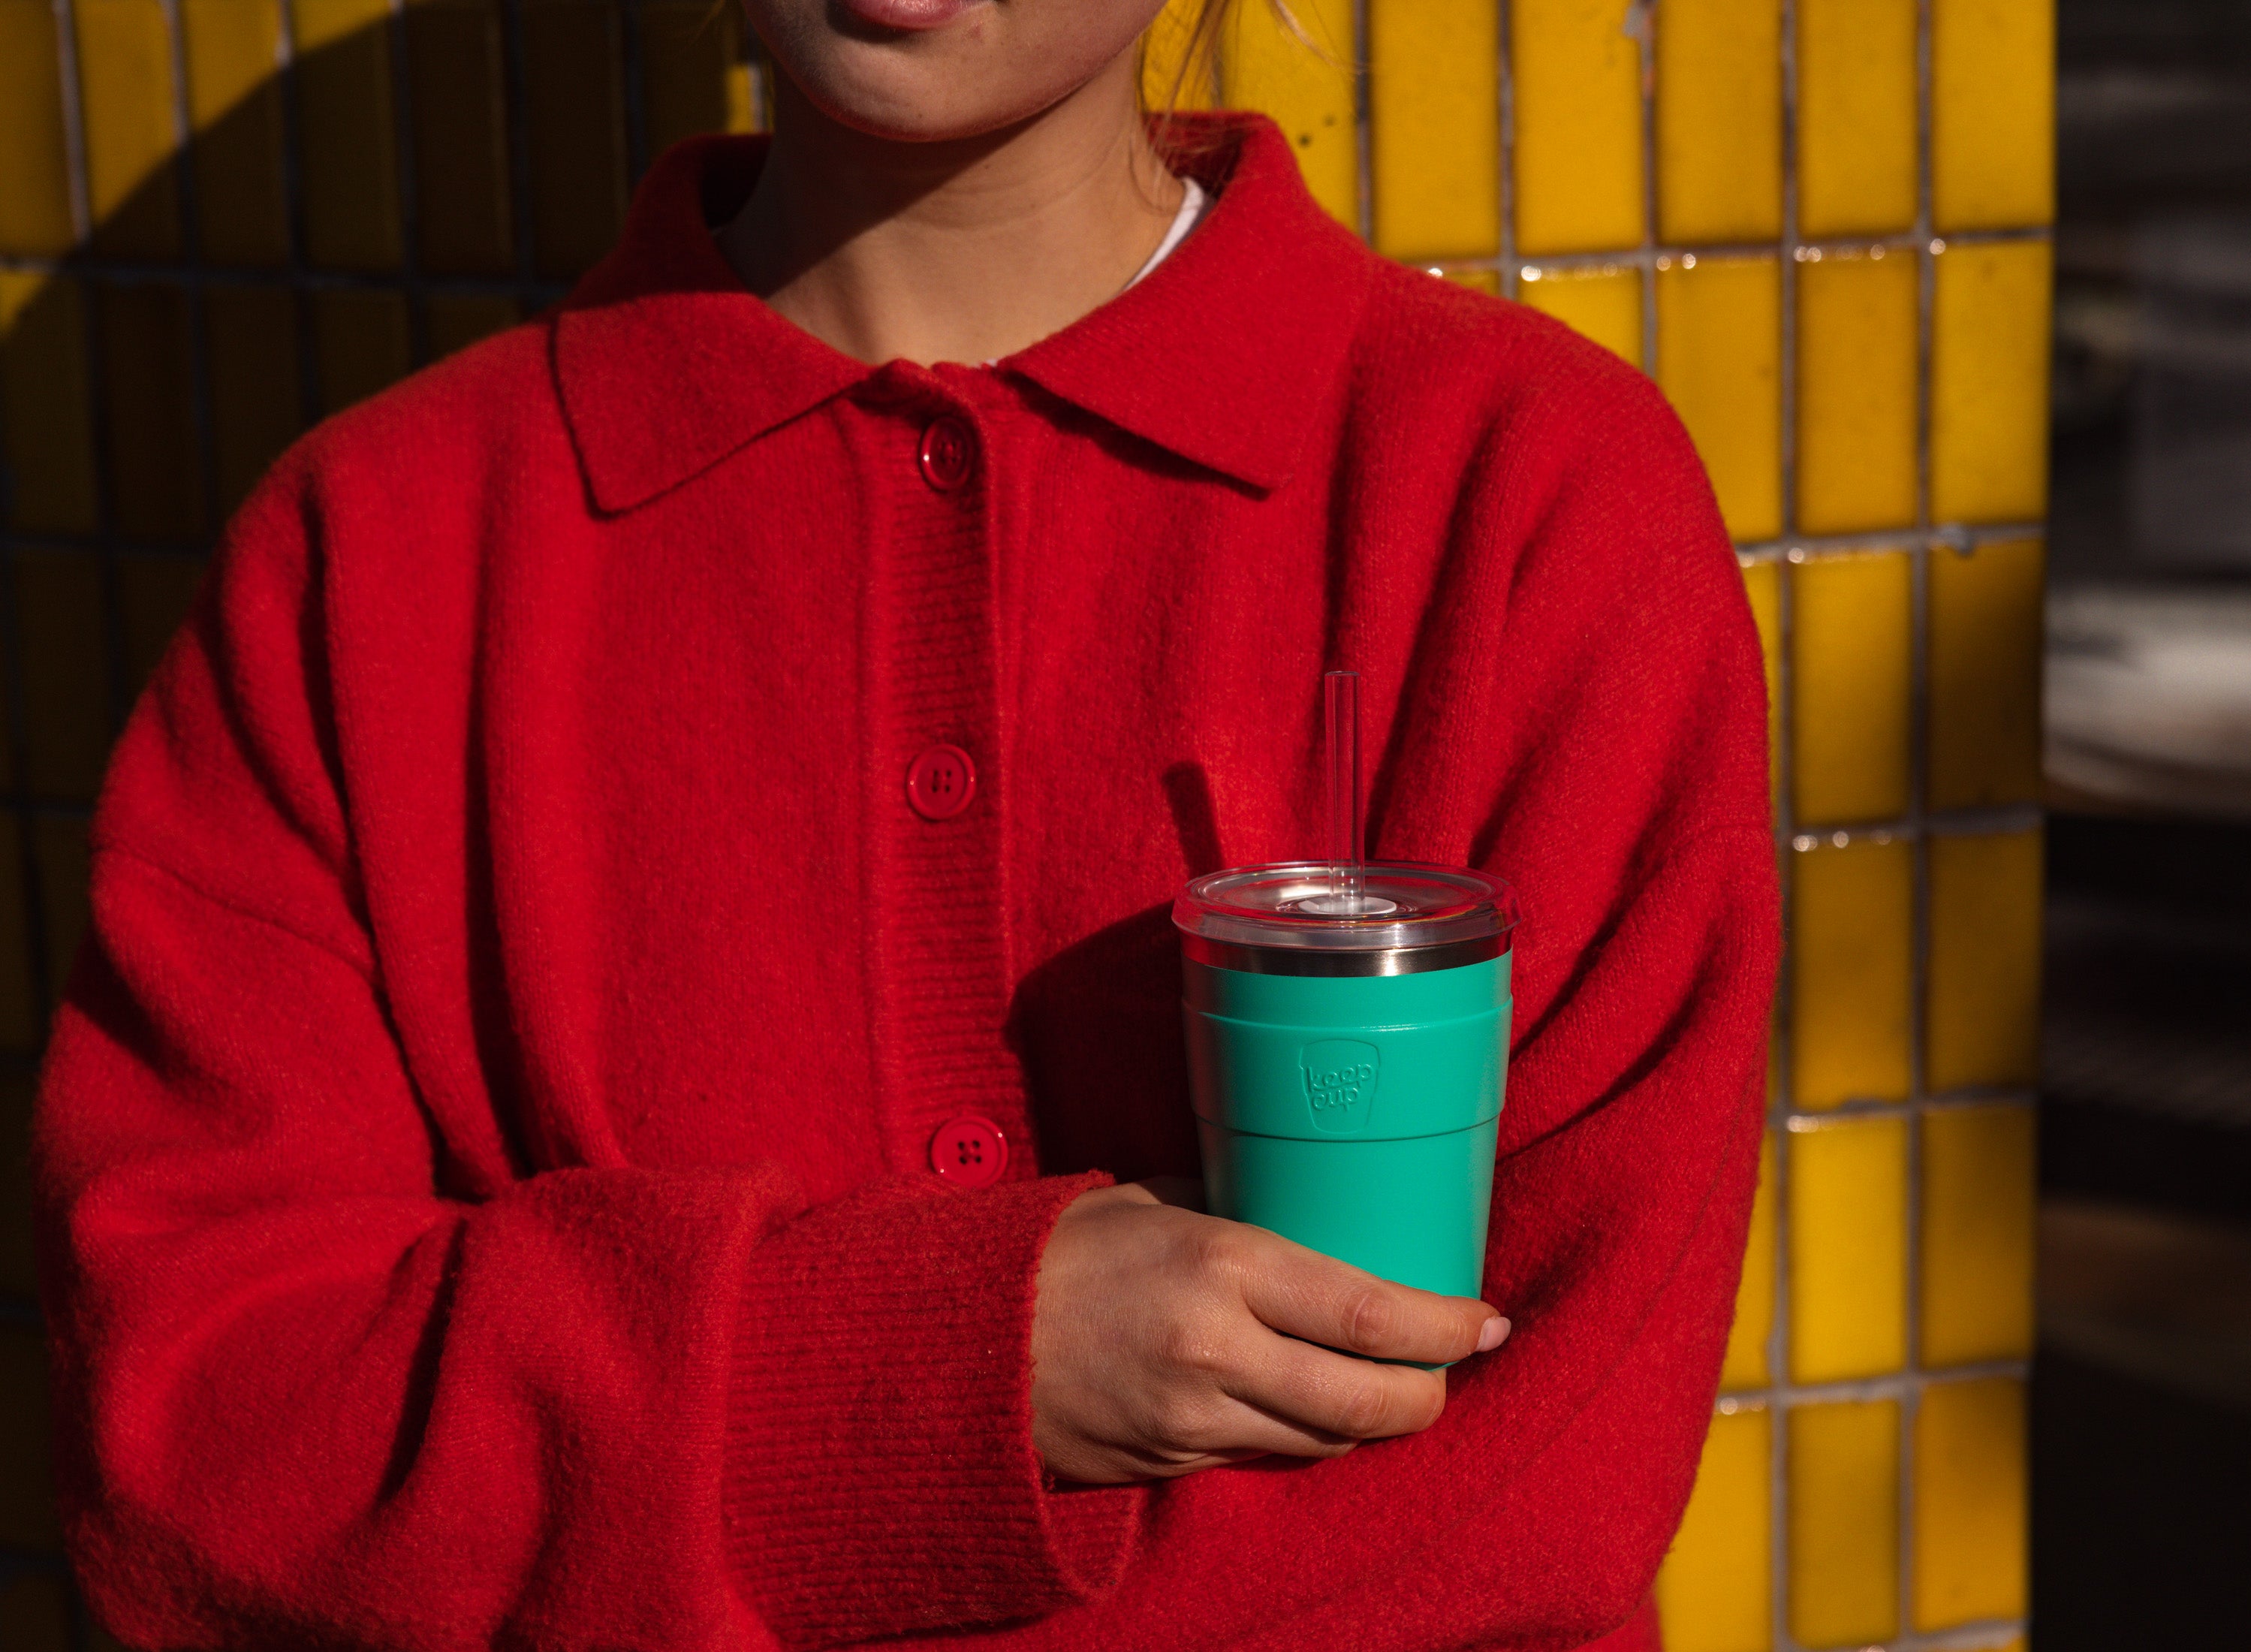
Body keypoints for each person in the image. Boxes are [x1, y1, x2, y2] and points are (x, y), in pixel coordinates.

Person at [32, 0, 1778, 1647]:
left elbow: (1536, 1492)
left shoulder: (1527, 498)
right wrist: (924, 1376)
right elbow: (202, 1444)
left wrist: (644, 1482)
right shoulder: (369, 555)